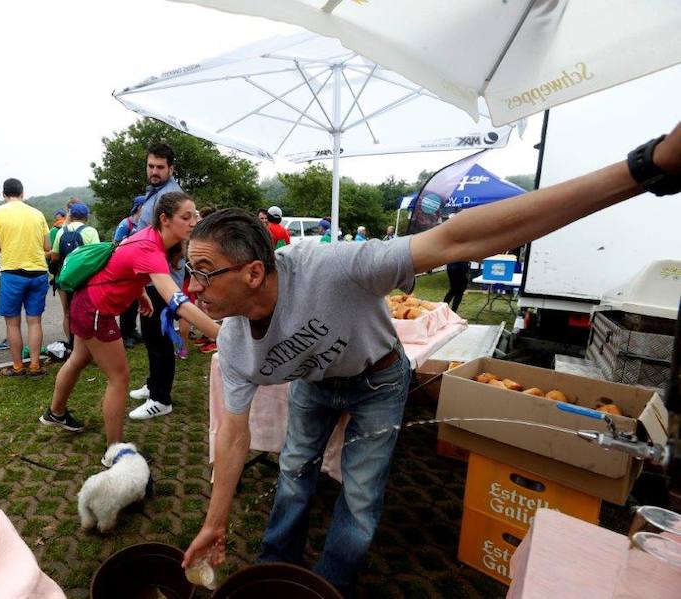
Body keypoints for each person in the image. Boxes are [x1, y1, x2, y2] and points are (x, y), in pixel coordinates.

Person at [181, 122, 681, 596]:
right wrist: (214, 523)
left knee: (359, 496)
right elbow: (233, 434)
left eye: (204, 272)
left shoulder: (334, 267)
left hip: (379, 378)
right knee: (293, 477)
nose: (191, 288)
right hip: (315, 384)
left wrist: (645, 166)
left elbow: (458, 238)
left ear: (251, 273)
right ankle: (276, 578)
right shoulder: (235, 344)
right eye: (188, 269)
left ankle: (330, 588)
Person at [41, 192, 219, 441]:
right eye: (186, 217)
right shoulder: (150, 247)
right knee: (119, 378)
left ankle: (55, 412)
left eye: (195, 216)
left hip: (87, 302)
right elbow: (177, 302)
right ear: (165, 219)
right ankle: (114, 453)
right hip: (95, 309)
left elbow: (123, 265)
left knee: (79, 358)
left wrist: (139, 294)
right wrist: (221, 335)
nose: (193, 222)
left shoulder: (150, 238)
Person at [128, 142, 186, 420]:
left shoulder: (171, 195)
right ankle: (153, 386)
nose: (154, 171)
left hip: (161, 278)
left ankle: (161, 398)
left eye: (160, 167)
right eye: (151, 165)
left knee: (159, 337)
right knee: (151, 336)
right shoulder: (156, 194)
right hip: (149, 276)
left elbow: (175, 240)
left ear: (171, 169)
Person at [0, 178, 51, 377]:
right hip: (38, 272)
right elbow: (47, 246)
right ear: (22, 193)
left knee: (12, 323)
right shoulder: (37, 214)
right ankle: (36, 366)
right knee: (35, 321)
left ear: (3, 194)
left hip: (13, 273)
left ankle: (18, 367)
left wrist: (8, 242)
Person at [51, 200, 100, 343]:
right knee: (86, 312)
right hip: (85, 280)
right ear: (86, 217)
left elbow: (54, 256)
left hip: (64, 279)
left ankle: (72, 344)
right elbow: (96, 255)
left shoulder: (61, 232)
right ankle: (88, 345)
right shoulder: (90, 231)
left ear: (70, 216)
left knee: (68, 313)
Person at [115, 195, 148, 348]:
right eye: (145, 205)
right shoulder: (125, 224)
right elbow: (116, 245)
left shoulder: (146, 223)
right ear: (139, 207)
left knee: (136, 301)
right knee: (127, 302)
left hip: (141, 269)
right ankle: (124, 333)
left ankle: (132, 330)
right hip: (126, 270)